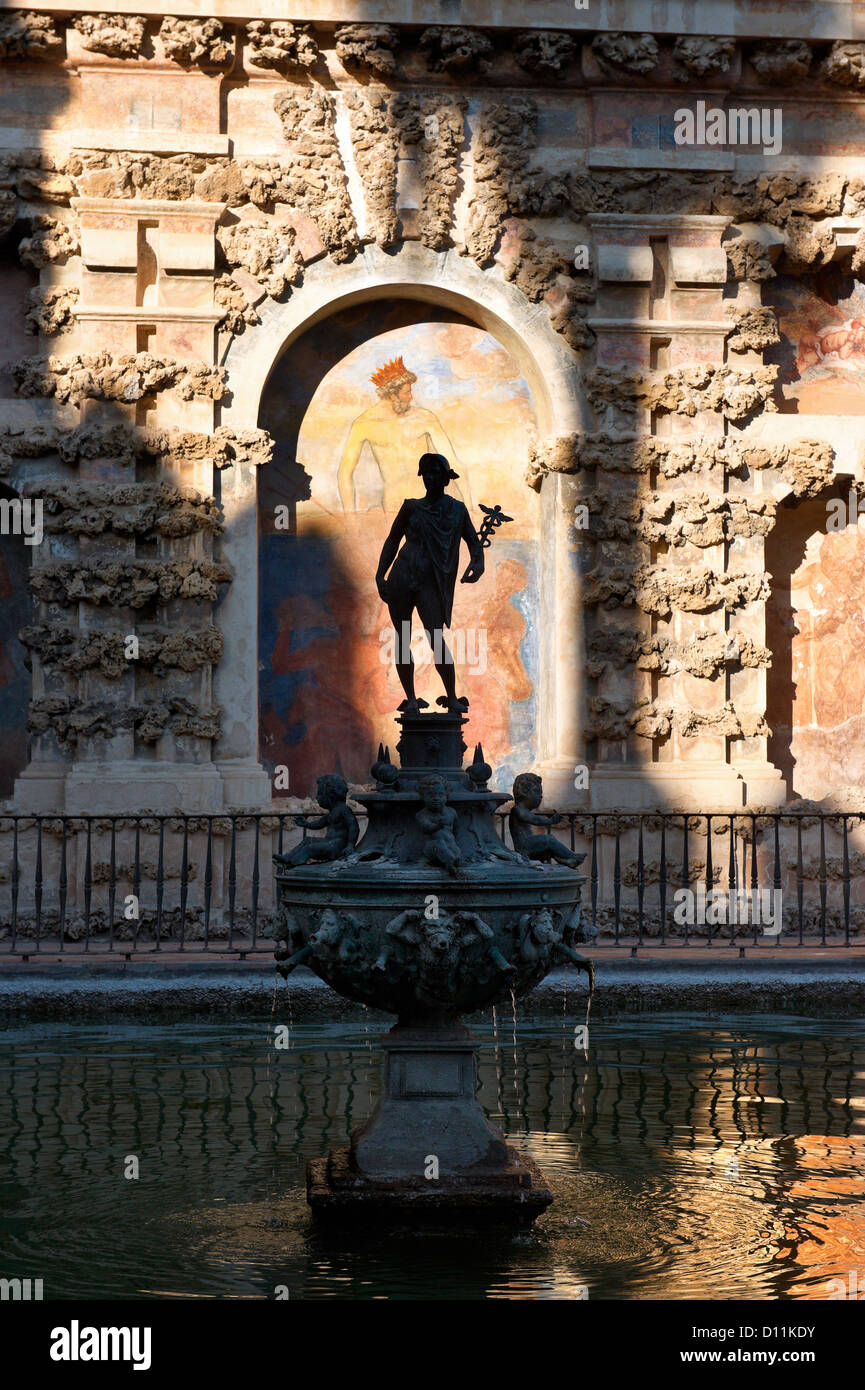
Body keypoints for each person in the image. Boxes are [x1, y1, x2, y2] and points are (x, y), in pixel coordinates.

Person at [376, 452, 484, 715]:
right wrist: (380, 574)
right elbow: (392, 541)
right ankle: (411, 698)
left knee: (436, 636)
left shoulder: (457, 510)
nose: (429, 478)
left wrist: (477, 563)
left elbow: (473, 541)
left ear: (446, 479)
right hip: (402, 577)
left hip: (429, 582)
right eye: (425, 473)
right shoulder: (411, 507)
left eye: (435, 474)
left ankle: (452, 696)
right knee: (402, 638)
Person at [338, 357, 470, 513]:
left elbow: (453, 463)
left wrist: (469, 508)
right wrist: (351, 521)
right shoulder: (364, 424)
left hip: (430, 503)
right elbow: (344, 473)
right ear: (393, 395)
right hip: (394, 505)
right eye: (407, 392)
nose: (411, 397)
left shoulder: (424, 418)